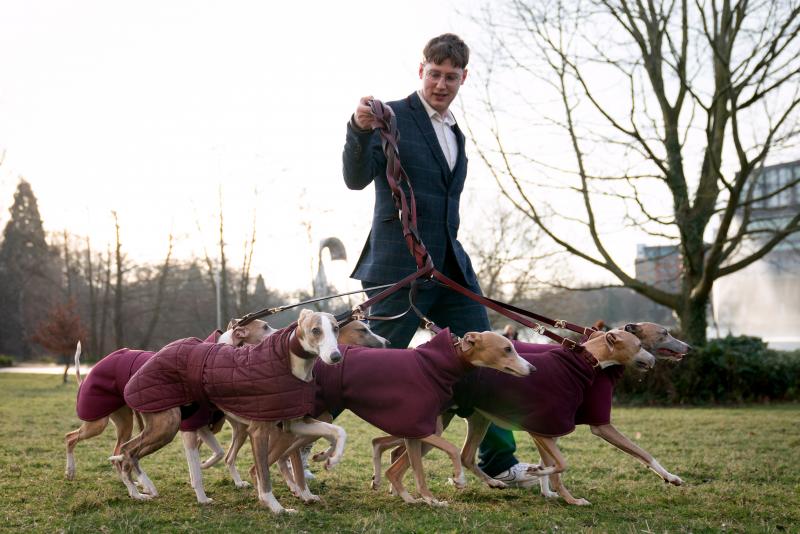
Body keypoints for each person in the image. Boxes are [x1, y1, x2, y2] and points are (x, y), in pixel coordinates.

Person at [342, 33, 537, 487]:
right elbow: (355, 178)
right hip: (397, 266)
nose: (442, 84)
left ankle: (498, 460)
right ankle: (301, 441)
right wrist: (356, 127)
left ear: (463, 77)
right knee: (359, 362)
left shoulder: (455, 135)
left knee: (488, 356)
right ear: (421, 71)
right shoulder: (389, 116)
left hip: (450, 270)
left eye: (451, 77)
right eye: (435, 74)